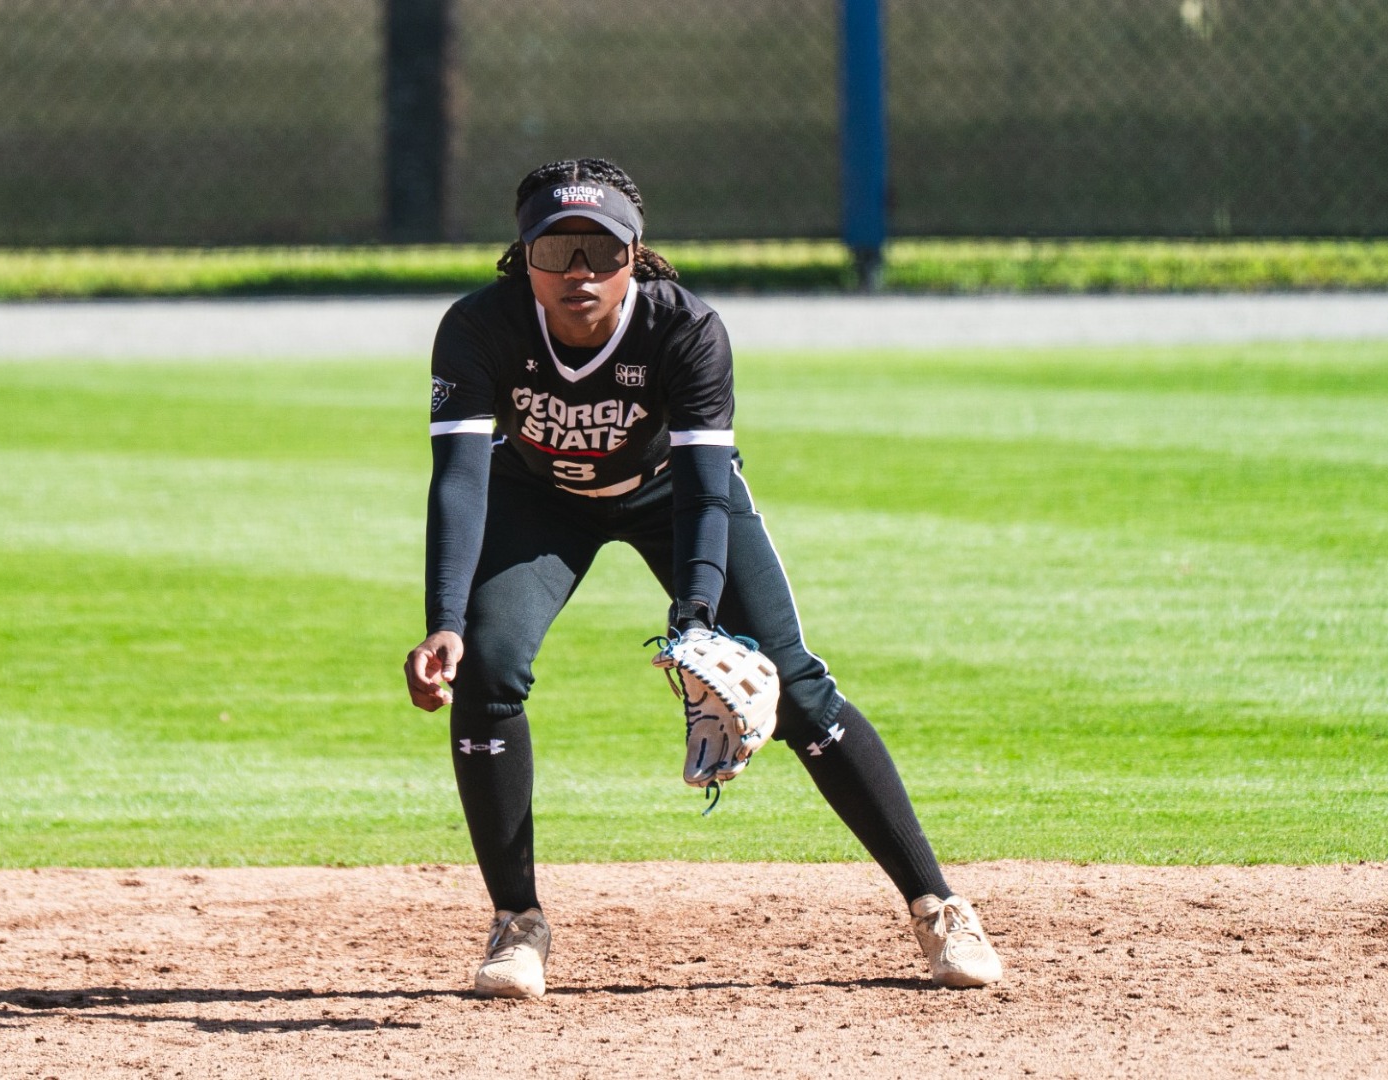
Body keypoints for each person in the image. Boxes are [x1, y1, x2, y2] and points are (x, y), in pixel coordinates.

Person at [402, 158, 1002, 998]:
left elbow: (705, 489)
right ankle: (517, 924)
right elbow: (461, 478)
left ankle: (938, 907)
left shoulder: (685, 330)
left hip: (672, 497)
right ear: (523, 255)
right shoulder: (479, 327)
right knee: (489, 671)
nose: (579, 273)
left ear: (636, 255)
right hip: (537, 500)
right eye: (556, 250)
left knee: (793, 685)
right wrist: (445, 620)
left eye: (601, 251)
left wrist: (695, 616)